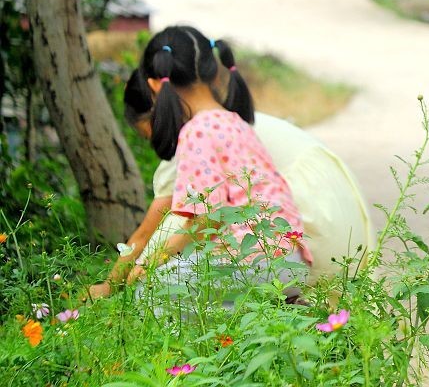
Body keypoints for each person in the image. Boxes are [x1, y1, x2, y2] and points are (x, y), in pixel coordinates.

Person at [90, 44, 372, 298]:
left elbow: (150, 235)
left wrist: (114, 285)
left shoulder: (193, 138)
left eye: (149, 134)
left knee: (157, 287)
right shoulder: (228, 119)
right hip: (335, 208)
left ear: (158, 109)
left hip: (308, 221)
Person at [120, 26, 312, 301]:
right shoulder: (236, 122)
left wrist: (154, 260)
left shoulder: (196, 131)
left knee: (148, 291)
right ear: (212, 70)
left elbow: (208, 216)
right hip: (292, 261)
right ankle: (279, 308)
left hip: (254, 261)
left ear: (155, 85)